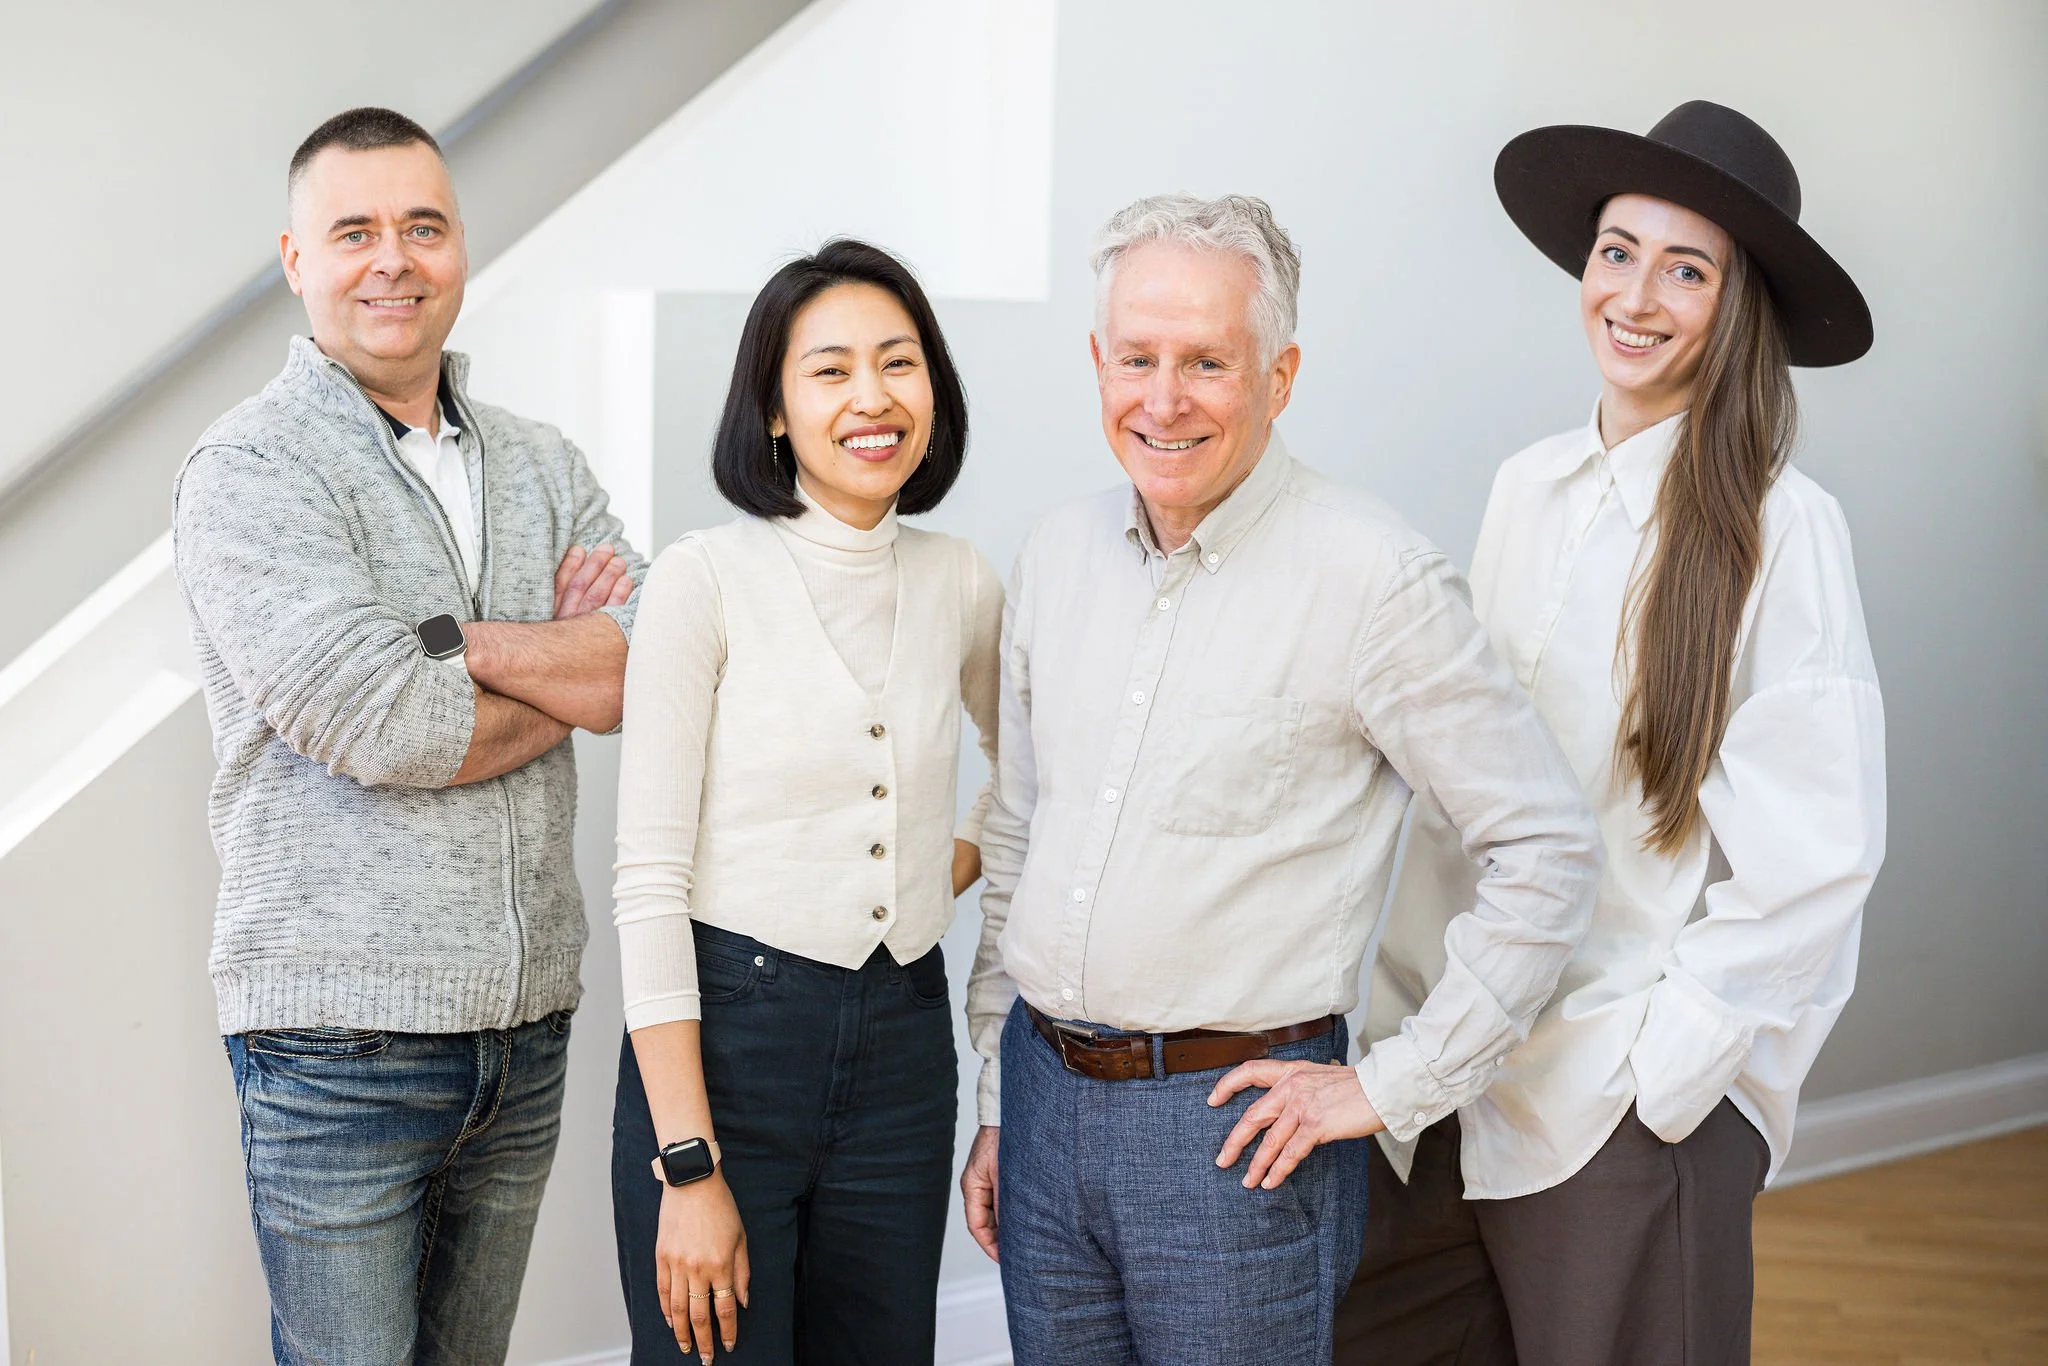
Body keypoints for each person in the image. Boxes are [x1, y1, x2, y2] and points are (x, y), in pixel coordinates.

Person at [956, 193, 1604, 1366]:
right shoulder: (1053, 558)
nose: (1163, 399)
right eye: (1137, 358)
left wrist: (1393, 1086)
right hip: (1045, 1107)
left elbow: (1547, 848)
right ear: (1096, 363)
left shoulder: (1373, 579)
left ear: (1280, 374)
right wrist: (1001, 1101)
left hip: (1233, 1138)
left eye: (1206, 361)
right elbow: (1017, 834)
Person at [1335, 101, 1885, 1366]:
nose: (1634, 295)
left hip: (1618, 1096)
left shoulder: (1781, 531)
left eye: (1684, 268)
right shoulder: (1523, 486)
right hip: (1451, 1059)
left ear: (1734, 304)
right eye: (1615, 251)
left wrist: (1661, 1076)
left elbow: (1816, 858)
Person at [171, 107, 646, 1364]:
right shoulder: (250, 467)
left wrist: (453, 638)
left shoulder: (544, 463)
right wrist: (555, 652)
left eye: (422, 226)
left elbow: (646, 668)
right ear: (295, 258)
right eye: (355, 231)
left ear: (460, 248)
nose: (394, 259)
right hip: (338, 1049)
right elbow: (384, 720)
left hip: (527, 1025)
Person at [608, 238, 1000, 1365]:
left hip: (903, 1053)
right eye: (829, 370)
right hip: (728, 1043)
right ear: (773, 410)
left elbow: (1023, 777)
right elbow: (648, 883)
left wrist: (936, 862)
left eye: (898, 362)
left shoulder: (962, 580)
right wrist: (688, 1164)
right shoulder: (704, 578)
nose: (872, 398)